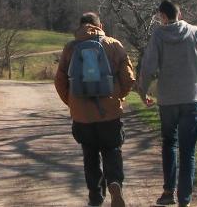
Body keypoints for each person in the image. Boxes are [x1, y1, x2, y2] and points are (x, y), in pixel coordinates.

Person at [55, 12, 136, 207]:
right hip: (109, 113)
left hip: (82, 117)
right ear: (100, 25)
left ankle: (95, 196)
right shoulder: (113, 44)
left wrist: (72, 103)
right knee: (112, 149)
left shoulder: (70, 48)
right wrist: (119, 97)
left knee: (89, 155)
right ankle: (115, 183)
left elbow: (59, 81)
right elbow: (128, 78)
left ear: (80, 26)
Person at [138, 0, 197, 207]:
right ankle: (185, 199)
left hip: (168, 100)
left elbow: (149, 67)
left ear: (162, 15)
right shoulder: (196, 32)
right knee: (188, 150)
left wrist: (143, 92)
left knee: (169, 143)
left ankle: (168, 192)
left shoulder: (159, 35)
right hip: (192, 98)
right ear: (179, 14)